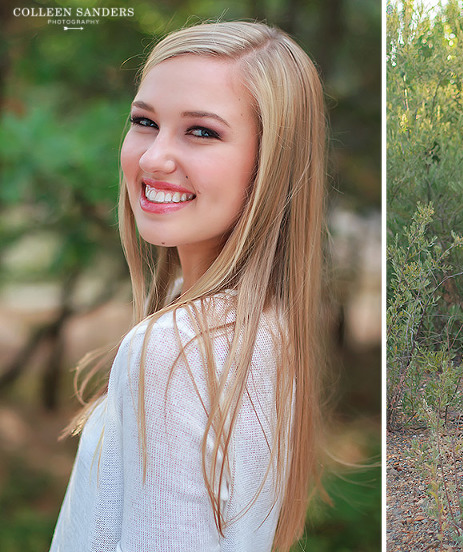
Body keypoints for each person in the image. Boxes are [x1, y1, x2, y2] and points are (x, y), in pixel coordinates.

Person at [50, 20, 325, 551]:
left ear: (271, 163)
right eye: (145, 122)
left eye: (201, 131)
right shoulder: (263, 329)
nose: (154, 158)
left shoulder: (178, 348)